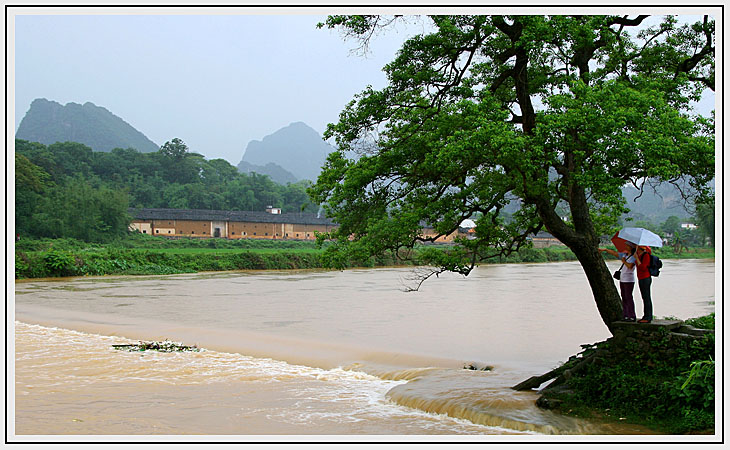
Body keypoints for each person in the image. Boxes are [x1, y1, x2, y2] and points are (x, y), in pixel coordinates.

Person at [599, 244, 637, 322]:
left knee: (629, 297)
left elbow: (630, 266)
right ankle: (625, 315)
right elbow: (615, 253)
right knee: (624, 297)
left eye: (628, 246)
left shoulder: (634, 257)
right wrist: (605, 250)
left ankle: (632, 316)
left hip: (629, 280)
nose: (626, 246)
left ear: (632, 248)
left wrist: (624, 261)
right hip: (622, 279)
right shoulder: (625, 255)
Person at [633, 245, 653, 323]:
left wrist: (637, 258)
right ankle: (646, 316)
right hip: (641, 278)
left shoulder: (646, 255)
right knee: (644, 297)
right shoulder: (639, 255)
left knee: (646, 297)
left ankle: (648, 317)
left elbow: (643, 267)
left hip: (645, 278)